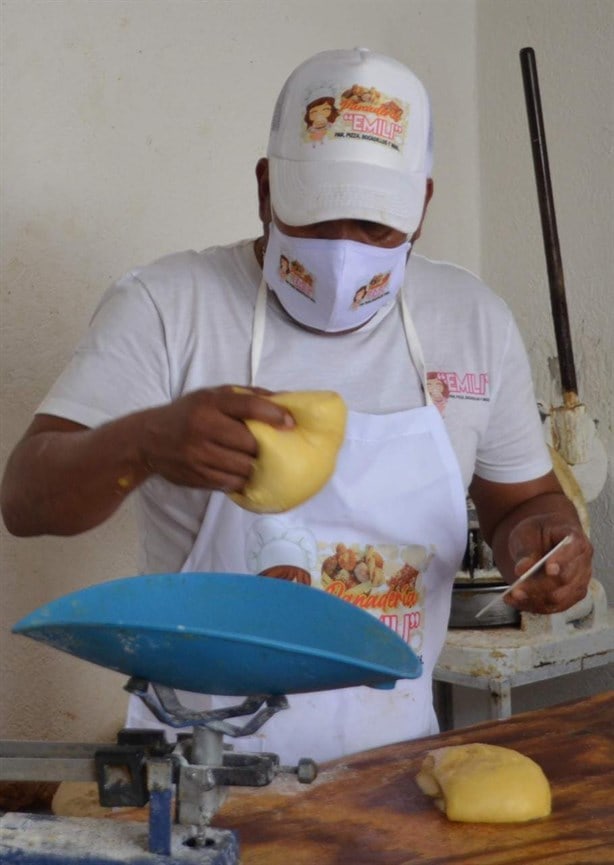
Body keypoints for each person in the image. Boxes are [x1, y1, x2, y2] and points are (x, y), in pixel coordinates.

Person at [1, 48, 592, 763]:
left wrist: (545, 543)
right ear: (265, 186)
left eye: (375, 228)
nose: (344, 253)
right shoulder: (169, 306)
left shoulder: (469, 320)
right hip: (198, 766)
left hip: (395, 767)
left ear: (423, 207)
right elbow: (26, 498)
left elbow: (519, 506)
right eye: (316, 219)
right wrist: (146, 442)